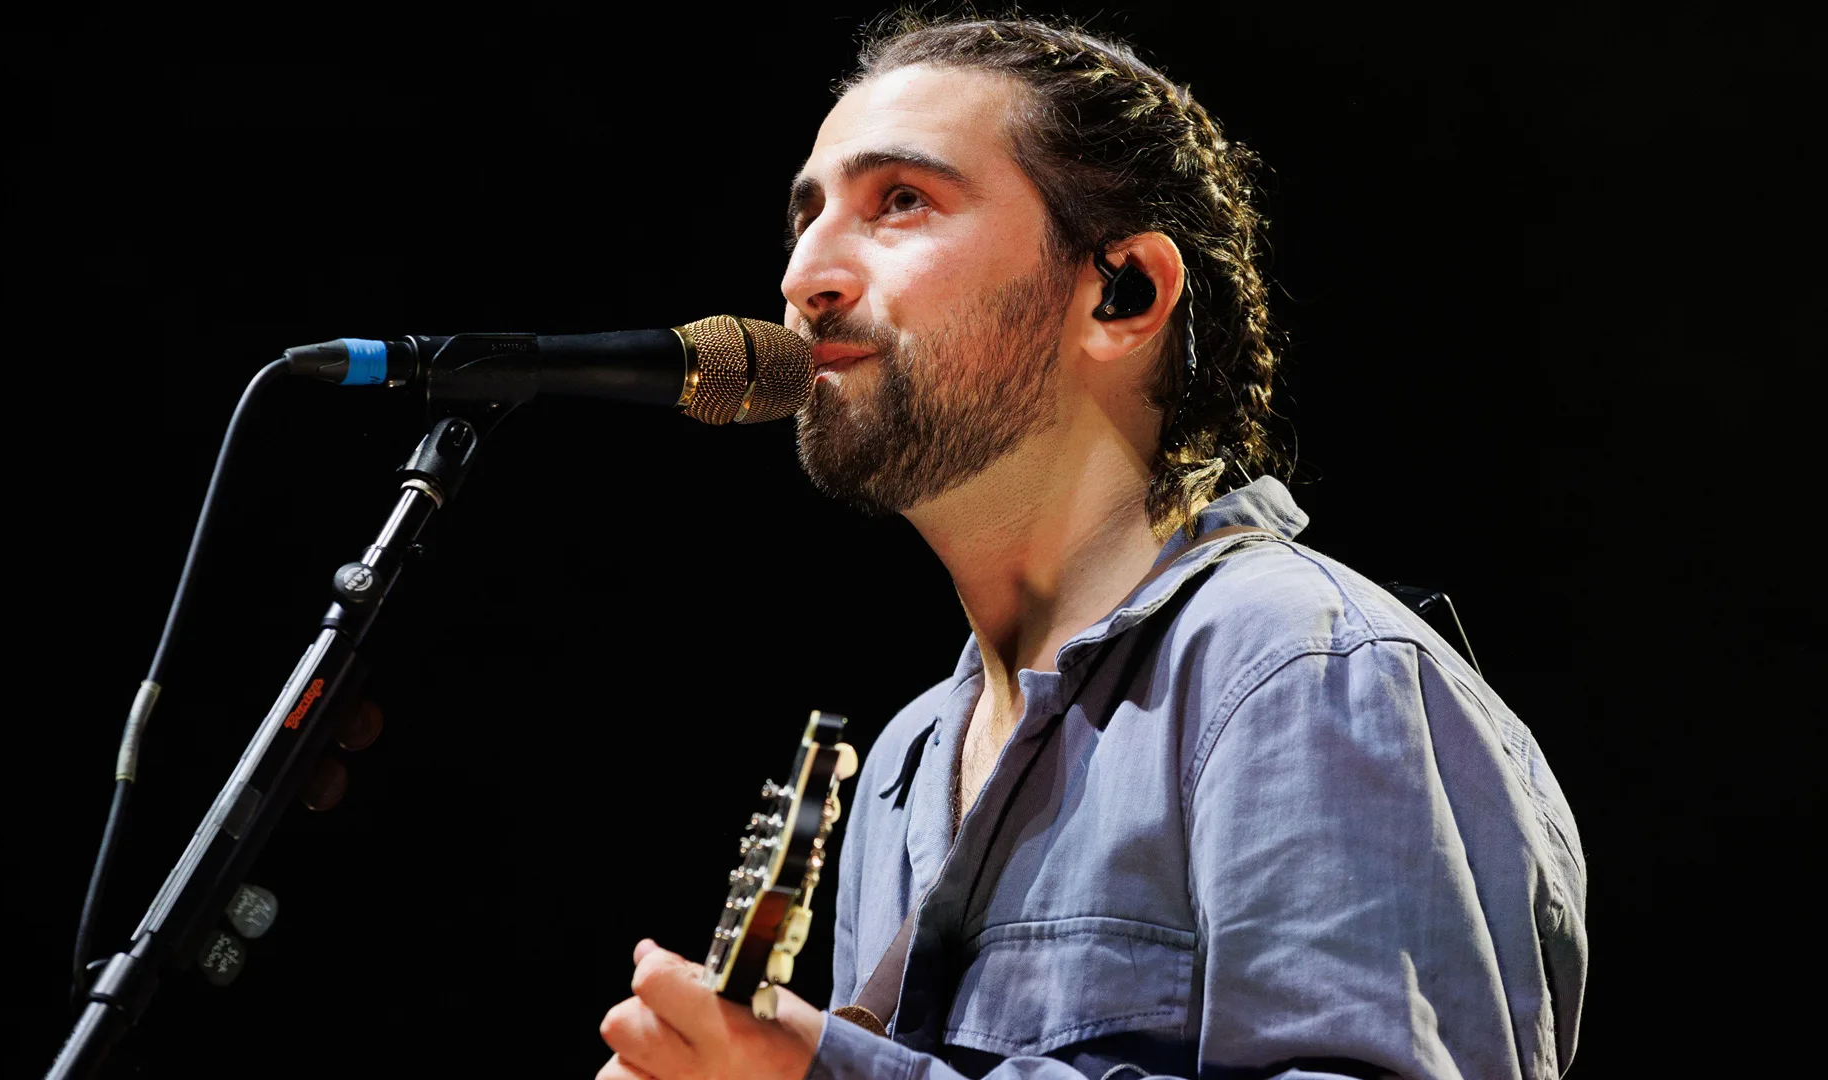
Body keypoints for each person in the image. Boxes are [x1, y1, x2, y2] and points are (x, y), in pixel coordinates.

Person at [597, 15, 1586, 1080]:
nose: (807, 275)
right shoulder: (906, 762)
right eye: (806, 215)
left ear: (1123, 294)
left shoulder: (1302, 671)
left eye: (902, 202)